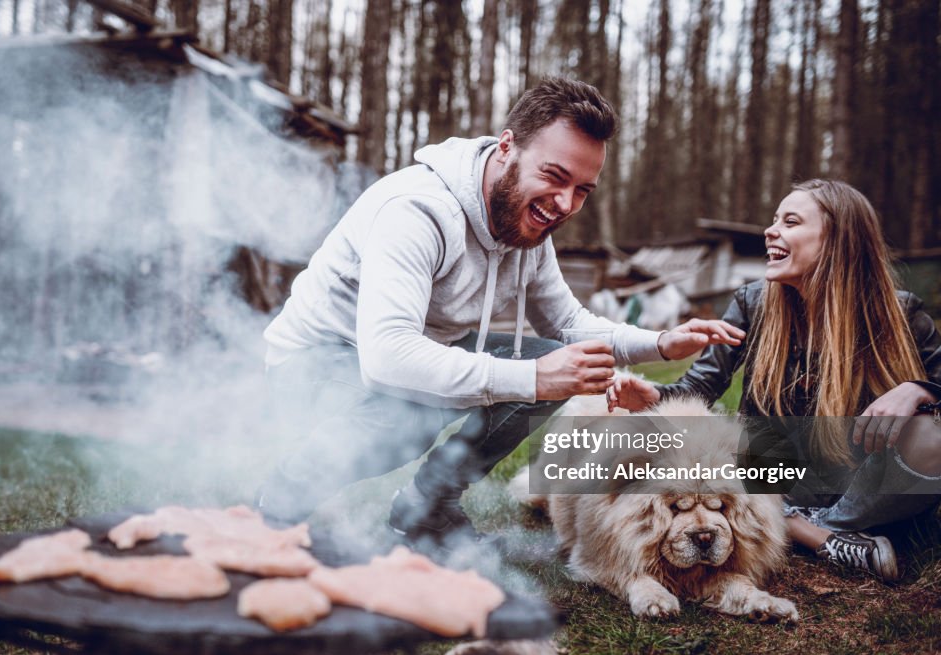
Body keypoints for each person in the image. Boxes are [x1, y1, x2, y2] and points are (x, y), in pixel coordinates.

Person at [258, 77, 744, 548]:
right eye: (555, 177)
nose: (564, 204)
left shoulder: (526, 226)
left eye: (582, 191)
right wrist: (533, 377)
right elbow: (388, 358)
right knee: (417, 407)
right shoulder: (417, 211)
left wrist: (659, 343)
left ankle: (426, 507)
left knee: (556, 360)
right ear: (507, 146)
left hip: (417, 353)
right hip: (317, 362)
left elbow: (567, 325)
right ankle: (281, 501)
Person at [607, 179, 941, 581]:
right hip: (774, 471)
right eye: (774, 220)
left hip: (861, 479)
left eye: (791, 221)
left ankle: (808, 526)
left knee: (933, 436)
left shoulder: (900, 313)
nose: (771, 230)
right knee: (707, 445)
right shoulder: (752, 303)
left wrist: (918, 389)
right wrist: (654, 395)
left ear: (837, 240)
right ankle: (823, 536)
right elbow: (701, 388)